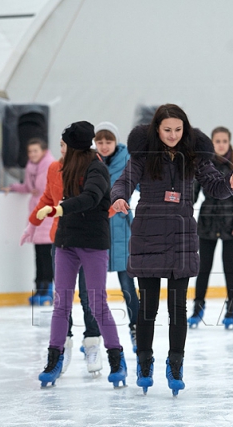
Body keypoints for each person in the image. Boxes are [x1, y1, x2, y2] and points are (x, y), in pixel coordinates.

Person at [111, 104, 233, 396]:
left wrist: (231, 184)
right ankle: (144, 363)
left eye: (178, 129)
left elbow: (215, 188)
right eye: (167, 129)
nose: (172, 135)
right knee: (147, 309)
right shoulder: (144, 155)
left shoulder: (193, 156)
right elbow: (125, 181)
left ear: (185, 129)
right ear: (157, 129)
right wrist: (120, 198)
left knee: (177, 309)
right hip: (147, 233)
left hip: (182, 235)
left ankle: (175, 364)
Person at [30, 121, 127, 389]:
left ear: (74, 147)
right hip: (66, 242)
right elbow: (53, 195)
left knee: (97, 302)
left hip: (93, 242)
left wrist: (58, 209)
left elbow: (92, 197)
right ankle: (54, 359)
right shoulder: (64, 168)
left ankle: (116, 359)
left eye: (65, 145)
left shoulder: (97, 167)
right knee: (60, 302)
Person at [189, 126, 233, 329]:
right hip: (207, 224)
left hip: (231, 225)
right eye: (217, 141)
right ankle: (198, 309)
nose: (221, 145)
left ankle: (232, 309)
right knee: (203, 268)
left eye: (224, 141)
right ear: (212, 142)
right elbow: (192, 195)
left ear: (229, 142)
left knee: (229, 268)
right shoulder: (203, 164)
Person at [94, 121, 140, 351]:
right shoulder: (90, 161)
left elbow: (143, 184)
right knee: (94, 288)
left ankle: (136, 329)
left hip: (122, 230)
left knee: (127, 285)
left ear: (116, 142)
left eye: (108, 141)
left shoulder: (128, 161)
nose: (104, 146)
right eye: (100, 142)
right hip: (96, 230)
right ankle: (93, 335)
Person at [7, 138, 55, 305]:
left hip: (48, 214)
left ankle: (48, 289)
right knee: (39, 255)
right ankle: (39, 288)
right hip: (36, 215)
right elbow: (28, 187)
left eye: (36, 151)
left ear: (43, 151)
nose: (32, 154)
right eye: (30, 151)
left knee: (46, 255)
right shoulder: (30, 167)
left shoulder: (51, 165)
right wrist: (12, 187)